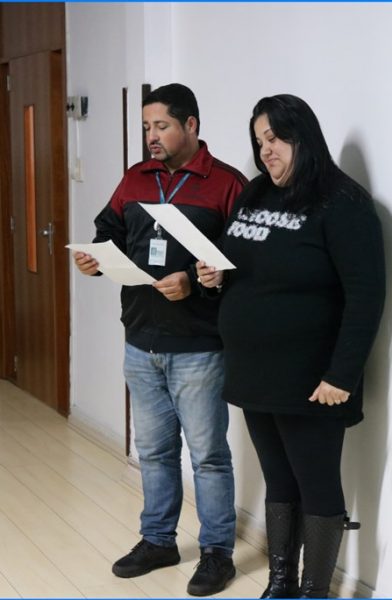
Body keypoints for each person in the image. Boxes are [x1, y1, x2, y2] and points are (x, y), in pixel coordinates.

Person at [197, 94, 386, 598]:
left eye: (277, 139)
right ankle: (281, 581)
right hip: (254, 373)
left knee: (316, 484)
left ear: (304, 138)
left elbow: (366, 296)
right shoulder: (256, 192)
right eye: (260, 141)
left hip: (312, 379)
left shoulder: (342, 202)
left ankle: (313, 591)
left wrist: (342, 374)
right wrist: (215, 278)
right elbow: (242, 267)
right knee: (279, 480)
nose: (267, 151)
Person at [73, 83, 247, 597]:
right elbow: (109, 230)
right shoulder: (135, 178)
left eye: (162, 126)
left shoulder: (227, 184)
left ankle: (217, 553)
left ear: (191, 125)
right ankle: (158, 541)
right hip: (140, 340)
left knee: (208, 456)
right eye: (147, 126)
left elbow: (246, 262)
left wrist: (194, 281)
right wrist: (95, 258)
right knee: (153, 451)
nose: (151, 135)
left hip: (199, 346)